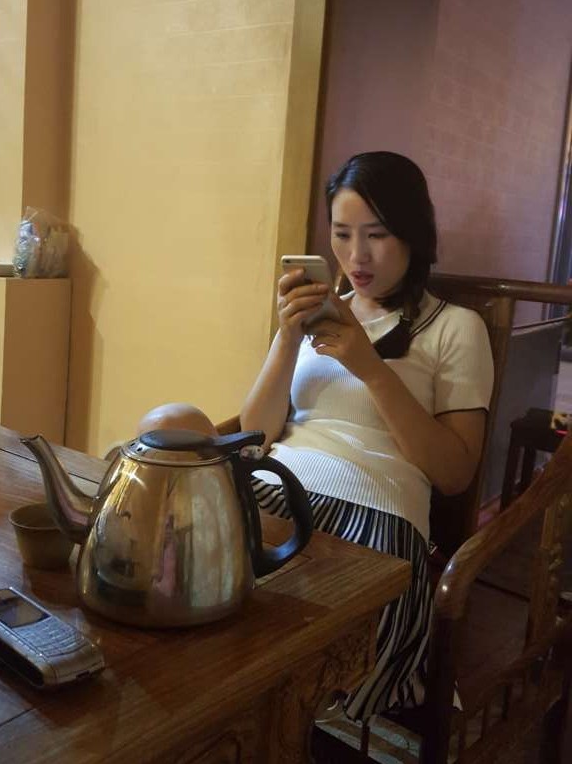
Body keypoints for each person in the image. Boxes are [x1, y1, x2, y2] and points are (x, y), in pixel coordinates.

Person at [136, 151, 493, 722]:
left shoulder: (455, 327)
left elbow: (454, 473)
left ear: (413, 234)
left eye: (377, 234)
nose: (357, 256)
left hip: (372, 517)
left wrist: (370, 367)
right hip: (274, 488)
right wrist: (287, 336)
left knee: (256, 646)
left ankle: (252, 745)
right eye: (342, 234)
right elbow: (255, 435)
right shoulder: (321, 313)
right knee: (163, 428)